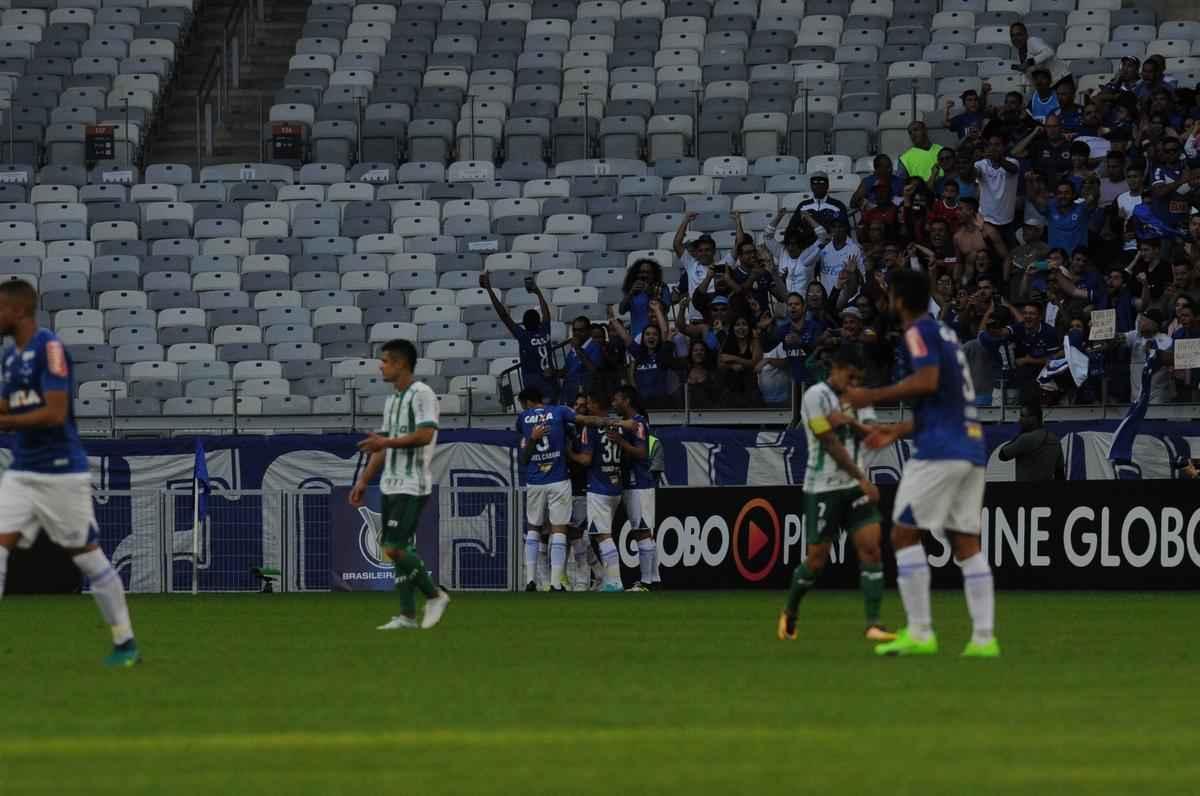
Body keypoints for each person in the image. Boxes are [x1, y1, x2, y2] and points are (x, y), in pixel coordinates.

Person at [846, 270, 997, 658]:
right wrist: (898, 430)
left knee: (902, 535)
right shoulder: (945, 333)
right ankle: (984, 639)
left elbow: (927, 382)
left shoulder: (917, 332)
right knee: (966, 542)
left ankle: (920, 631)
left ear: (898, 299)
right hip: (970, 444)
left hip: (940, 450)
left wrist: (871, 396)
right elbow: (945, 400)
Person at [0, 280, 139, 666]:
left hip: (60, 471)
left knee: (87, 558)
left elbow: (55, 412)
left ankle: (125, 641)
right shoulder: (10, 357)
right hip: (21, 471)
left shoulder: (50, 349)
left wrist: (6, 421)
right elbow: (9, 404)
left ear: (18, 311)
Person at [778, 344, 896, 643]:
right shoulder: (814, 396)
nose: (854, 384)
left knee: (871, 549)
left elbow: (872, 433)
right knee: (816, 561)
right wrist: (862, 476)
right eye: (850, 377)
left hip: (854, 487)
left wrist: (851, 421)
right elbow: (828, 440)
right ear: (836, 369)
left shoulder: (859, 398)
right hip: (822, 487)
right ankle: (790, 611)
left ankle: (873, 624)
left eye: (859, 380)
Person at [351, 338, 451, 630]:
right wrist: (363, 480)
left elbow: (425, 435)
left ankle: (434, 596)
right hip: (390, 484)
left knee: (393, 547)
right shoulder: (392, 400)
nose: (380, 367)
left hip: (412, 483)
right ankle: (407, 616)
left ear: (401, 363)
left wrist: (386, 442)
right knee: (399, 549)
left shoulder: (422, 394)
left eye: (385, 361)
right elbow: (382, 446)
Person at [516, 385, 578, 593]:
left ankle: (530, 580)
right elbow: (576, 426)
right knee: (559, 529)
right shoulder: (559, 412)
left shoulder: (523, 418)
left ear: (526, 402)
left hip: (535, 481)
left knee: (533, 528)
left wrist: (533, 438)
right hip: (558, 479)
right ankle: (555, 583)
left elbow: (524, 457)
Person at [569, 390, 630, 592]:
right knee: (600, 534)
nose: (587, 407)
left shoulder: (591, 427)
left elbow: (586, 460)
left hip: (598, 488)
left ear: (596, 405)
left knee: (603, 536)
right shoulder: (618, 425)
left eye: (589, 403)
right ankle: (607, 579)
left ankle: (614, 581)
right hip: (615, 485)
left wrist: (569, 453)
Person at [480, 272, 558, 401]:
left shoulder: (524, 336)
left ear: (524, 325)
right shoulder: (545, 331)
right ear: (539, 322)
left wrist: (489, 289)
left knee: (537, 410)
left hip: (533, 383)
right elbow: (546, 313)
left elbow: (504, 316)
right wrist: (537, 292)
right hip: (549, 381)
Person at [612, 386, 659, 592]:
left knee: (642, 532)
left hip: (639, 484)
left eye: (616, 400)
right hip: (635, 484)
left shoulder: (638, 423)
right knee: (643, 531)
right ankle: (653, 579)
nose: (614, 404)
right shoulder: (632, 422)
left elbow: (641, 453)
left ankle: (646, 582)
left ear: (627, 401)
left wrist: (620, 441)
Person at [997, 402, 1065, 481]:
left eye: (1022, 416)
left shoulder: (1025, 439)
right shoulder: (1055, 439)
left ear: (1033, 419)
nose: (1019, 420)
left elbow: (1002, 455)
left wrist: (1020, 435)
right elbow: (1060, 473)